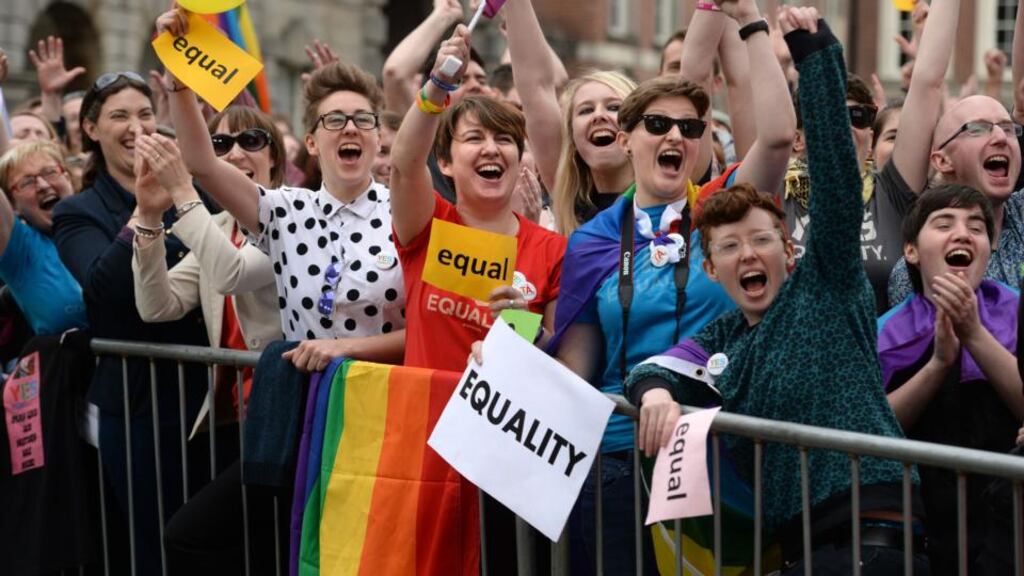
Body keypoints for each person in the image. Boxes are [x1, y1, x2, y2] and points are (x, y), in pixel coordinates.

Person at [625, 10, 929, 573]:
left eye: (760, 240)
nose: (747, 255)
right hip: (796, 545)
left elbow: (837, 176)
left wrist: (813, 53)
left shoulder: (827, 282)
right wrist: (656, 396)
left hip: (872, 524)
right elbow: (657, 369)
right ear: (711, 270)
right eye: (729, 248)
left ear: (789, 250)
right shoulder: (725, 338)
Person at [546, 0, 794, 570]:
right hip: (616, 462)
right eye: (658, 125)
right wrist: (513, 356)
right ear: (626, 139)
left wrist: (751, 18)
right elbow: (576, 372)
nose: (675, 136)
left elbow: (778, 136)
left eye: (690, 127)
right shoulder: (592, 242)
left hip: (719, 457)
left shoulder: (721, 213)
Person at [389, 25, 567, 574]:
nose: (491, 149)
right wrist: (440, 83)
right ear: (447, 164)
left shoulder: (552, 249)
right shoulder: (429, 226)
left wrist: (522, 329)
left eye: (504, 141)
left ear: (520, 159)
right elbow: (401, 162)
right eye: (473, 139)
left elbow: (561, 354)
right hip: (425, 451)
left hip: (506, 461)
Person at [158, 8, 405, 372]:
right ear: (311, 142)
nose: (350, 128)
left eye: (363, 119)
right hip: (306, 406)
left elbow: (428, 329)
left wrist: (347, 349)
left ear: (378, 137)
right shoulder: (285, 210)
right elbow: (202, 163)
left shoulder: (407, 212)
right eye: (335, 120)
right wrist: (178, 79)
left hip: (387, 402)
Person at [50, 70, 212, 575]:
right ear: (91, 130)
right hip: (137, 405)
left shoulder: (192, 193)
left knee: (208, 542)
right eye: (119, 116)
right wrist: (144, 213)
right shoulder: (79, 211)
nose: (135, 127)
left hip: (204, 400)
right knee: (154, 542)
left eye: (144, 114)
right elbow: (102, 293)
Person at [130, 104, 286, 575]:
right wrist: (148, 214)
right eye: (219, 144)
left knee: (192, 535)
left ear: (274, 157)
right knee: (248, 552)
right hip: (231, 421)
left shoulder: (298, 213)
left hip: (285, 415)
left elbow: (232, 273)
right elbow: (156, 306)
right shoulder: (217, 227)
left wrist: (182, 190)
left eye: (251, 141)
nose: (235, 152)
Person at [878, 185, 1022, 575]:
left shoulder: (1015, 310)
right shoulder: (886, 333)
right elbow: (873, 432)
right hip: (929, 525)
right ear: (910, 250)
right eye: (944, 223)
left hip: (1010, 521)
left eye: (977, 227)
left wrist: (974, 334)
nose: (963, 234)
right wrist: (939, 364)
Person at [0, 141, 87, 335]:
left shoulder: (102, 220)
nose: (43, 185)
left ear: (68, 178)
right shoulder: (20, 250)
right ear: (13, 205)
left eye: (50, 172)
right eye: (27, 182)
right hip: (72, 363)